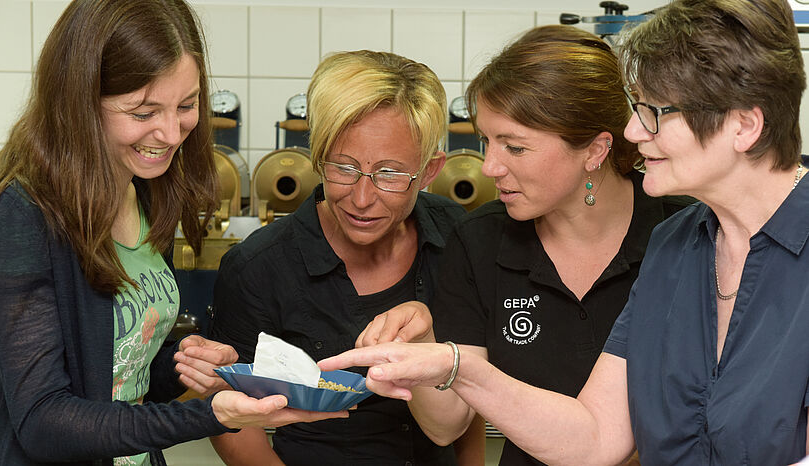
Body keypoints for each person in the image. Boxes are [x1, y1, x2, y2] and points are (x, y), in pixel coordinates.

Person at [321, 0, 809, 465]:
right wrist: (454, 367)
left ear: (744, 126)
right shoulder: (677, 246)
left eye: (654, 113)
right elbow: (596, 436)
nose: (633, 132)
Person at [0, 1, 343, 465]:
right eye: (142, 111)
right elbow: (43, 421)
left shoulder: (147, 195)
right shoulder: (23, 214)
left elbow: (126, 375)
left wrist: (189, 367)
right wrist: (212, 415)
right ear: (78, 102)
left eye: (187, 105)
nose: (172, 133)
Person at [355, 24, 688, 466]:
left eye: (514, 147)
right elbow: (445, 426)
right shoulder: (480, 240)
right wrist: (424, 349)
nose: (490, 167)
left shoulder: (684, 235)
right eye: (486, 141)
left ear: (595, 149)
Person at [208, 50, 473, 465]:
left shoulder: (460, 237)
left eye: (389, 174)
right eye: (343, 168)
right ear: (317, 155)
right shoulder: (258, 267)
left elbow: (471, 391)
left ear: (430, 170)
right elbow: (230, 421)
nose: (362, 200)